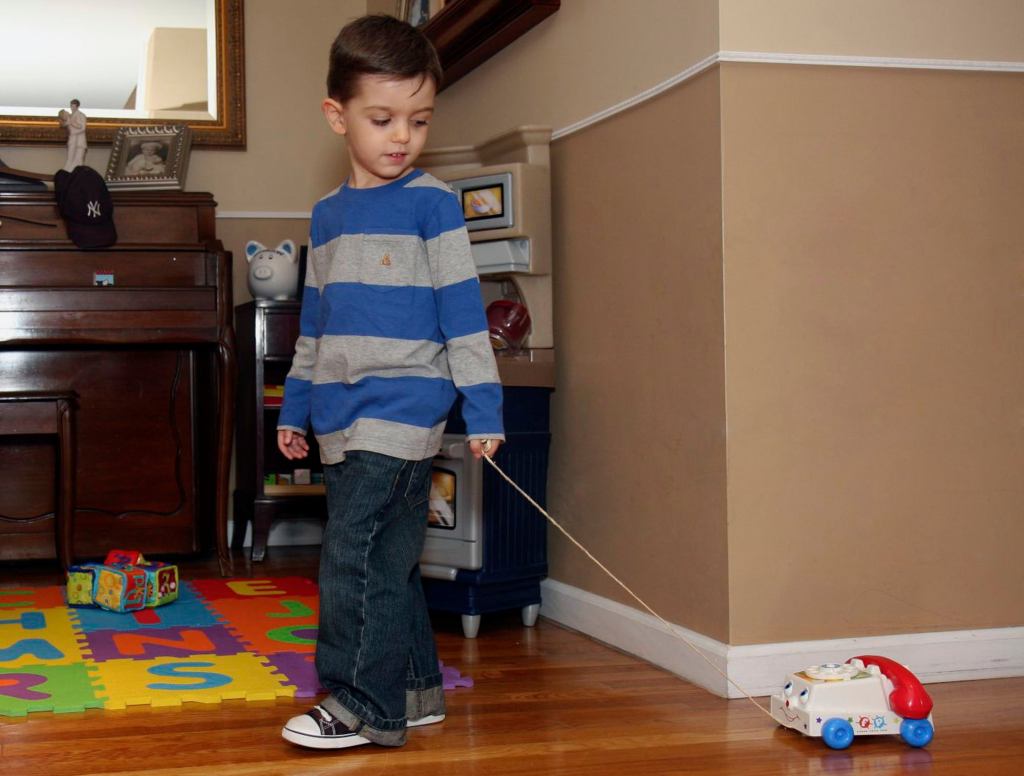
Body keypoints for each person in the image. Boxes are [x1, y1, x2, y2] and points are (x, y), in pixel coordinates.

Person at [276, 14, 504, 751]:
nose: (401, 136)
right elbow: (315, 327)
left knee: (352, 559)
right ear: (337, 116)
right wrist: (297, 407)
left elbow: (465, 318)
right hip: (341, 419)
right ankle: (412, 691)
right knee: (390, 560)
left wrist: (485, 406)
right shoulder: (329, 215)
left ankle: (359, 705)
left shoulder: (432, 204)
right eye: (382, 119)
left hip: (404, 411)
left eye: (418, 119)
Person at [58, 99, 87, 172]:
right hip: (72, 140)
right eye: (71, 106)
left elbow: (82, 128)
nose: (72, 108)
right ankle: (67, 172)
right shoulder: (69, 116)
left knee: (79, 159)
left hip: (80, 141)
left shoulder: (81, 115)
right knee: (70, 158)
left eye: (74, 106)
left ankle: (75, 174)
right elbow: (63, 124)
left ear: (77, 107)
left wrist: (73, 132)